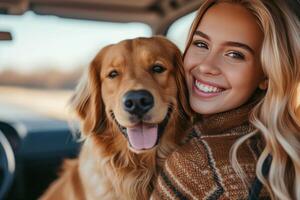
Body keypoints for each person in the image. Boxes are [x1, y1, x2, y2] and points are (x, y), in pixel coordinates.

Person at [152, 0, 300, 199]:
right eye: (201, 44)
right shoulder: (282, 147)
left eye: (234, 54)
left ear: (267, 74)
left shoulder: (197, 164)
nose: (206, 66)